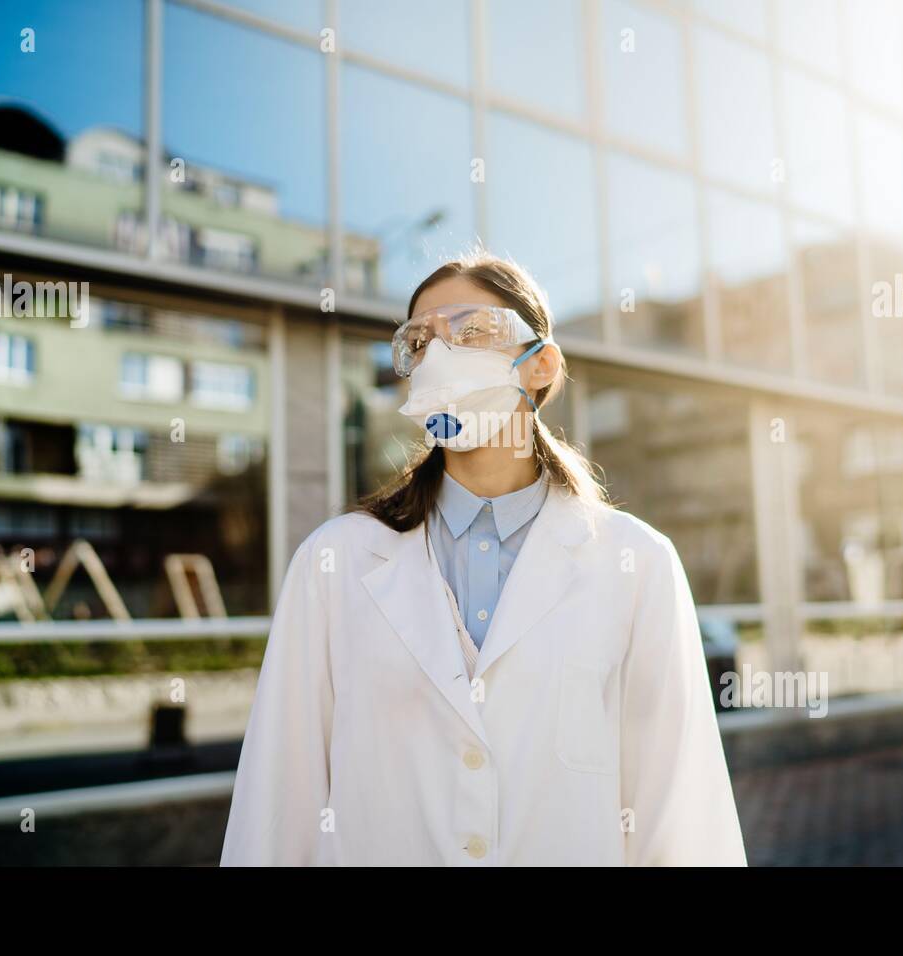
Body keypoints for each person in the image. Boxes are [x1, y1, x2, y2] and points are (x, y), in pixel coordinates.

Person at [221, 251, 745, 866]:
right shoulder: (334, 562)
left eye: (471, 332)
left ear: (540, 365)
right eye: (420, 342)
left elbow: (681, 817)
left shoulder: (638, 563)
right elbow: (279, 806)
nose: (439, 357)